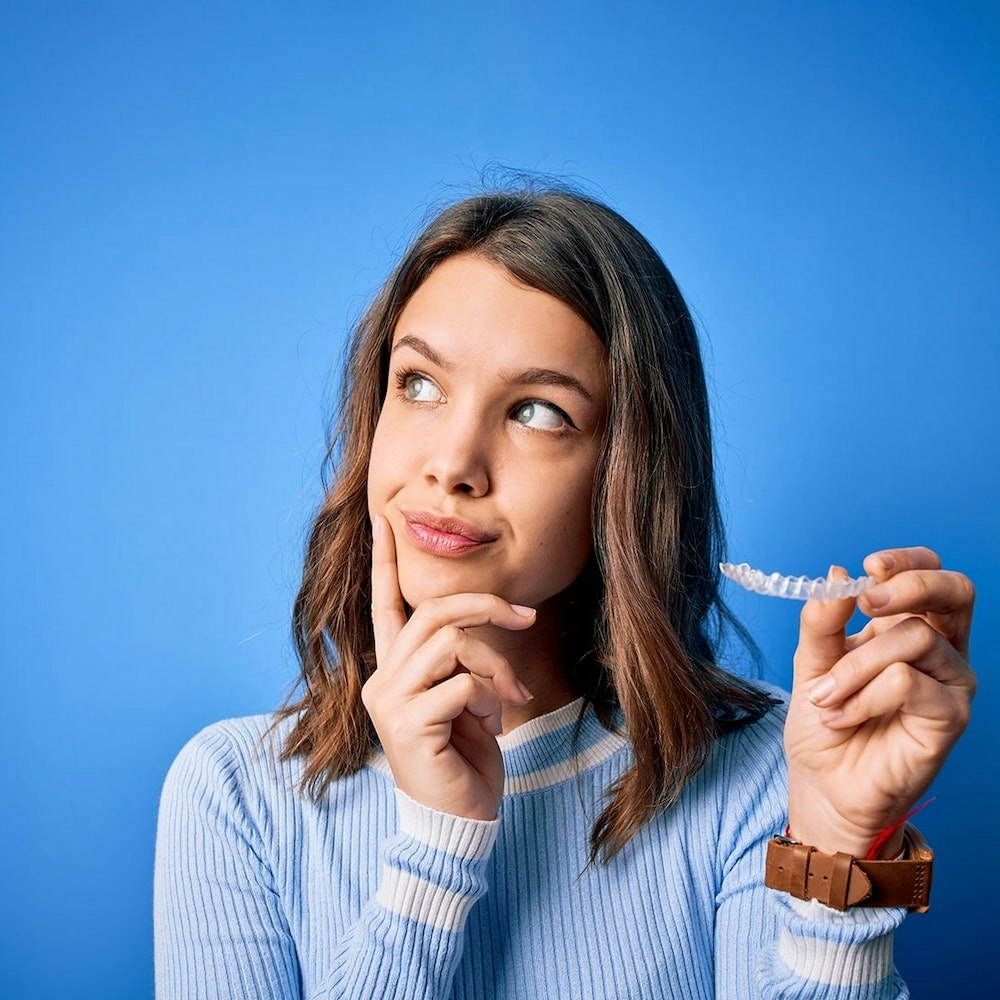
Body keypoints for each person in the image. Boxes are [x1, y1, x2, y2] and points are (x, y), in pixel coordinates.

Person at [153, 181, 976, 998]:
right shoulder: (234, 797)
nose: (453, 464)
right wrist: (432, 861)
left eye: (538, 412)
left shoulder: (769, 772)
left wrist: (836, 847)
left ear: (627, 476)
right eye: (420, 385)